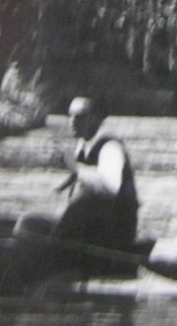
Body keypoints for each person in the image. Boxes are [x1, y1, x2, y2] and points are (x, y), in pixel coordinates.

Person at [53, 95, 139, 253]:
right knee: (31, 223)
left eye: (79, 117)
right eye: (70, 116)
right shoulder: (83, 144)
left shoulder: (110, 147)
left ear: (95, 119)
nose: (72, 121)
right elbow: (79, 181)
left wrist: (75, 167)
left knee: (31, 223)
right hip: (92, 225)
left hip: (114, 233)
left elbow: (110, 187)